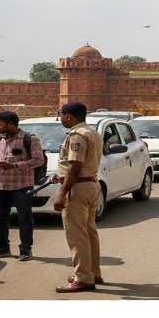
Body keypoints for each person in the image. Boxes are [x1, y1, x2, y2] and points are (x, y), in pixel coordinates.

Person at [51, 102, 103, 293]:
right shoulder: (92, 132)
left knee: (77, 235)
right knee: (89, 232)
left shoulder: (77, 135)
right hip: (90, 183)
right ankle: (92, 272)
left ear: (69, 116)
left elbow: (75, 165)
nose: (61, 118)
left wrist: (62, 193)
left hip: (78, 188)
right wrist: (60, 175)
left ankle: (83, 278)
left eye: (61, 115)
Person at [0, 111, 45, 262]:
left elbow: (39, 160)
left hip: (22, 186)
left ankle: (25, 250)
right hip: (1, 185)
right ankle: (2, 247)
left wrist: (15, 166)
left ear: (10, 123)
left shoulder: (30, 139)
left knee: (24, 218)